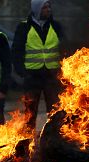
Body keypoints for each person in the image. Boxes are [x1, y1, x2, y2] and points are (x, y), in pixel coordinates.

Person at [12, 0, 65, 130]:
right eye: (44, 7)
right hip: (32, 77)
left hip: (51, 77)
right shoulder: (24, 27)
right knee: (30, 113)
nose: (48, 10)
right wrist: (22, 72)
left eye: (49, 7)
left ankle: (54, 139)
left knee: (55, 112)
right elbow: (16, 51)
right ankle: (28, 143)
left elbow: (64, 49)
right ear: (36, 10)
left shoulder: (56, 26)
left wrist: (63, 71)